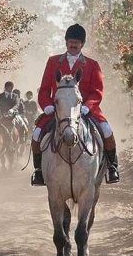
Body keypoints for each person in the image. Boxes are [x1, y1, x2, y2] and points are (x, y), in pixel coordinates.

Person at [30, 23, 119, 186]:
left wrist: (87, 107)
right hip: (58, 111)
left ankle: (111, 167)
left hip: (86, 111)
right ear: (66, 42)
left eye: (77, 42)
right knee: (36, 134)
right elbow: (43, 90)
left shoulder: (92, 65)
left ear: (82, 44)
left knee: (107, 131)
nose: (73, 45)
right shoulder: (52, 61)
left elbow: (97, 91)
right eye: (71, 42)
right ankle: (39, 171)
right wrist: (48, 105)